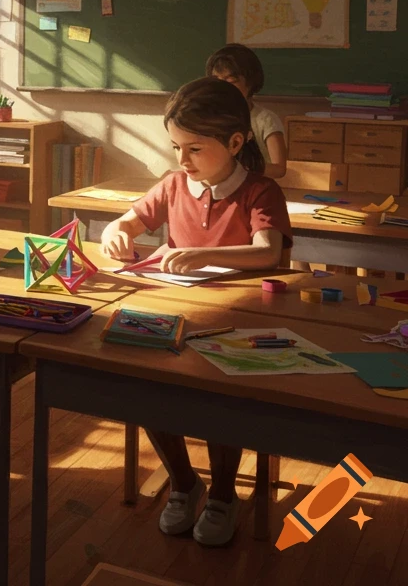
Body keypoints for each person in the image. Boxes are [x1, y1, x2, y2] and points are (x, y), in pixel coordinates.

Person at [100, 77, 292, 546]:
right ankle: (185, 483)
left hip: (238, 323)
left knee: (220, 402)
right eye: (175, 147)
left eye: (194, 148)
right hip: (174, 316)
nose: (182, 160)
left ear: (234, 142)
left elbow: (268, 254)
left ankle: (224, 494)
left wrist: (208, 255)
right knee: (144, 387)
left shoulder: (260, 191)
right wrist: (116, 230)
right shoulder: (173, 185)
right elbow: (129, 218)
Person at [206, 43, 287, 179]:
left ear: (251, 83)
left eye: (231, 81)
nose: (223, 88)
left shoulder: (265, 119)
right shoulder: (210, 118)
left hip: (257, 191)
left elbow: (279, 169)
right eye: (216, 81)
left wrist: (239, 167)